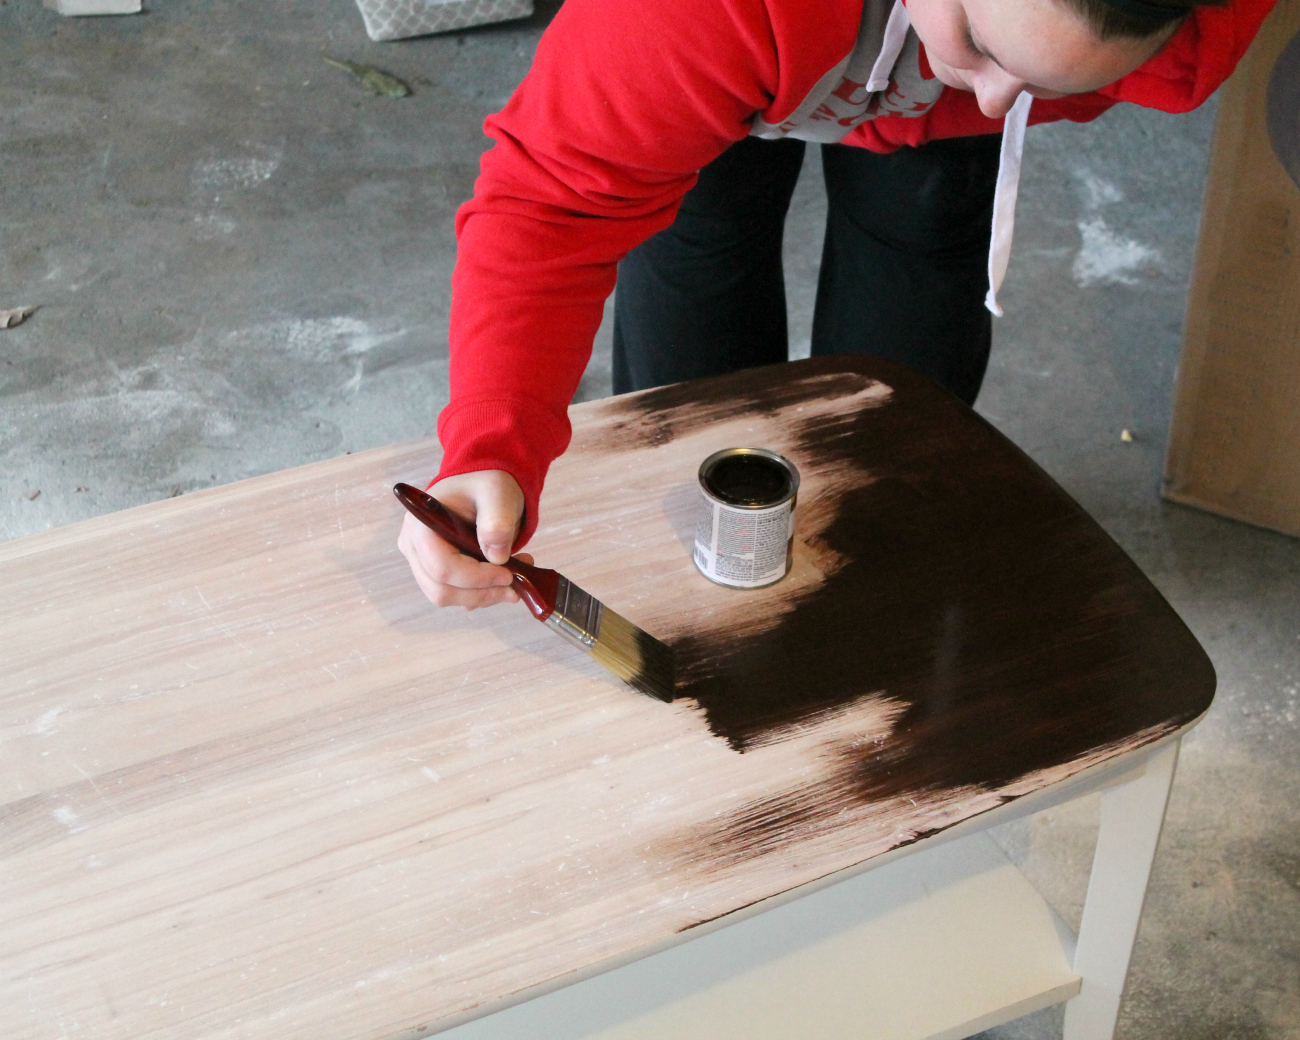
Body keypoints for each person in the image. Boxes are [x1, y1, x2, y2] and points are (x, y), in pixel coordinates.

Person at [398, 0, 1275, 610]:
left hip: (876, 42)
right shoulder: (687, 18)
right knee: (702, 236)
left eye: (1048, 82)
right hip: (734, 29)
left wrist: (969, 62)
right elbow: (556, 203)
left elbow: (1006, 74)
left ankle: (865, 573)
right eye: (986, 44)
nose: (1001, 97)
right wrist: (493, 444)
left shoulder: (1183, 35)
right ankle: (701, 560)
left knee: (923, 237)